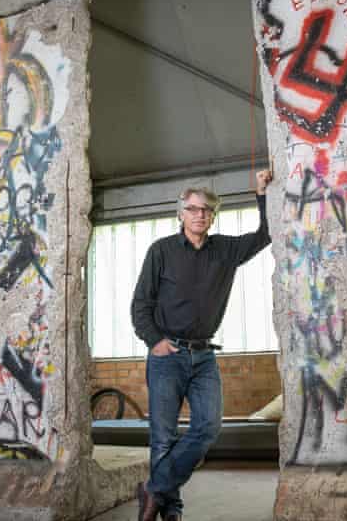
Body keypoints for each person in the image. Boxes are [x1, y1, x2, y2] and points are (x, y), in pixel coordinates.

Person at [131, 170, 273, 521]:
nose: (200, 215)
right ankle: (171, 509)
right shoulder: (160, 251)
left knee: (208, 427)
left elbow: (266, 234)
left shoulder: (225, 250)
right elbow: (141, 304)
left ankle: (154, 489)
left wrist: (261, 193)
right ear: (181, 213)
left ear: (213, 215)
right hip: (167, 356)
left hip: (205, 356)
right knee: (163, 438)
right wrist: (154, 342)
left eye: (207, 210)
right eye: (193, 209)